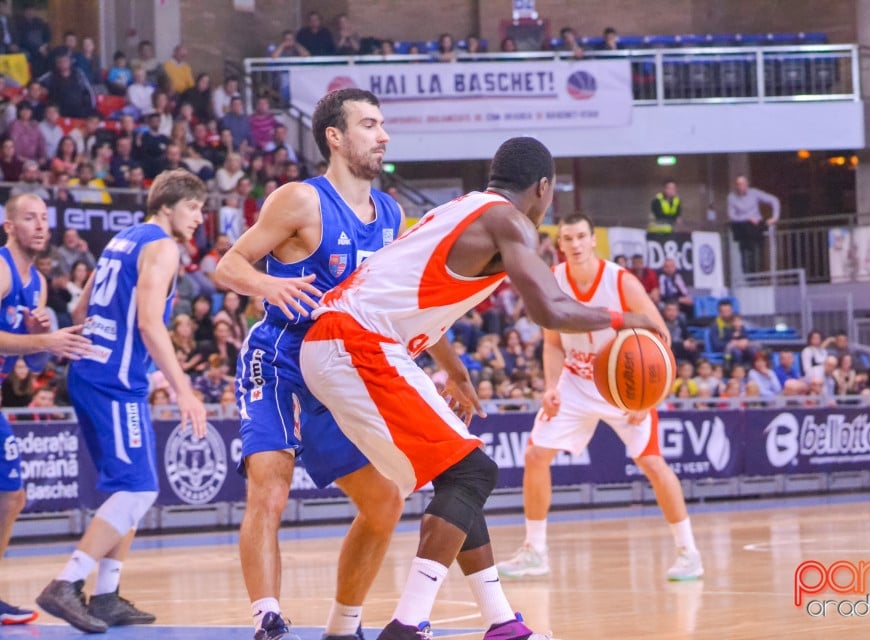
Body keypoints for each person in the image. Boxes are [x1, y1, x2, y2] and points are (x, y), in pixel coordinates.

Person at [299, 136, 667, 639]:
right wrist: (633, 318)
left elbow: (411, 293)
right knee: (472, 474)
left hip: (347, 340)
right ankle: (407, 627)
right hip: (353, 342)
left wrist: (456, 369)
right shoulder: (507, 220)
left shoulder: (462, 209)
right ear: (543, 188)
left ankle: (500, 623)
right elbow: (549, 311)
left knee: (460, 475)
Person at [215, 88, 406, 640]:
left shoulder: (390, 213)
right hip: (280, 358)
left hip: (341, 371)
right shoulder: (300, 200)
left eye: (383, 124)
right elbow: (228, 266)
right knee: (270, 487)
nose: (383, 135)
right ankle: (267, 619)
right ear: (336, 137)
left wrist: (444, 360)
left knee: (385, 502)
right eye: (370, 124)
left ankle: (343, 627)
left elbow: (396, 299)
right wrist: (268, 284)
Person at [35, 170, 208, 633]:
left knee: (127, 487)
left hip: (91, 371)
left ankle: (107, 595)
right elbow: (152, 325)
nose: (199, 217)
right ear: (168, 206)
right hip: (115, 381)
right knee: (138, 489)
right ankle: (66, 583)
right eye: (193, 207)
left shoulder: (119, 240)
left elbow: (78, 310)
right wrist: (184, 389)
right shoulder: (163, 246)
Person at [495, 212, 703, 583]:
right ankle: (535, 551)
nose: (574, 245)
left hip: (624, 384)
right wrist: (552, 388)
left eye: (580, 238)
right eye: (567, 239)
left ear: (593, 241)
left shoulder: (621, 282)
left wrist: (647, 400)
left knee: (653, 463)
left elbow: (660, 335)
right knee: (535, 454)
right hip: (576, 379)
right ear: (558, 245)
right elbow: (552, 344)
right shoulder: (553, 281)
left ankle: (688, 552)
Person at [0, 194, 94, 625]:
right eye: (29, 218)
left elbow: (32, 366)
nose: (39, 226)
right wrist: (44, 340)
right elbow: (39, 348)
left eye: (44, 219)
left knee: (11, 496)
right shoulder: (1, 270)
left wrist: (38, 341)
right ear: (8, 226)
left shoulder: (36, 283)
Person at [727, 175, 779, 274]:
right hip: (742, 227)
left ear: (747, 185)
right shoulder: (732, 197)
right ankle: (746, 275)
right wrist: (747, 218)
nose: (740, 187)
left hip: (756, 226)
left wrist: (775, 217)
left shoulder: (754, 193)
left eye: (742, 184)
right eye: (738, 184)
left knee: (756, 253)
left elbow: (774, 200)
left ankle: (757, 273)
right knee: (745, 253)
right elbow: (732, 216)